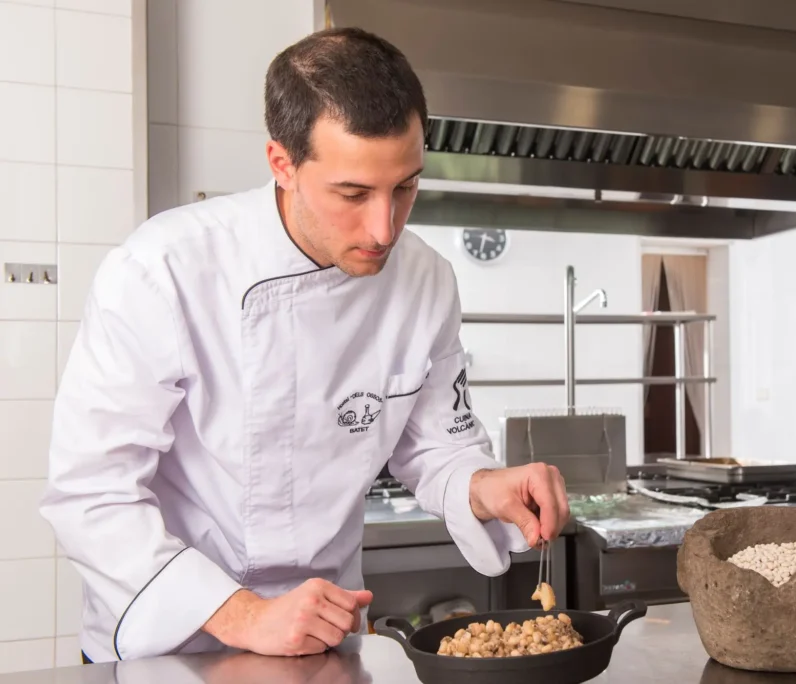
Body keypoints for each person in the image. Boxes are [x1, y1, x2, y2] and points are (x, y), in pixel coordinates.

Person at [38, 26, 570, 664]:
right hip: (172, 640)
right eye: (353, 194)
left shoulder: (425, 279)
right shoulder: (163, 270)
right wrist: (244, 615)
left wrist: (485, 484)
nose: (384, 228)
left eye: (405, 187)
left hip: (326, 639)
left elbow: (437, 447)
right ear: (282, 164)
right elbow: (91, 492)